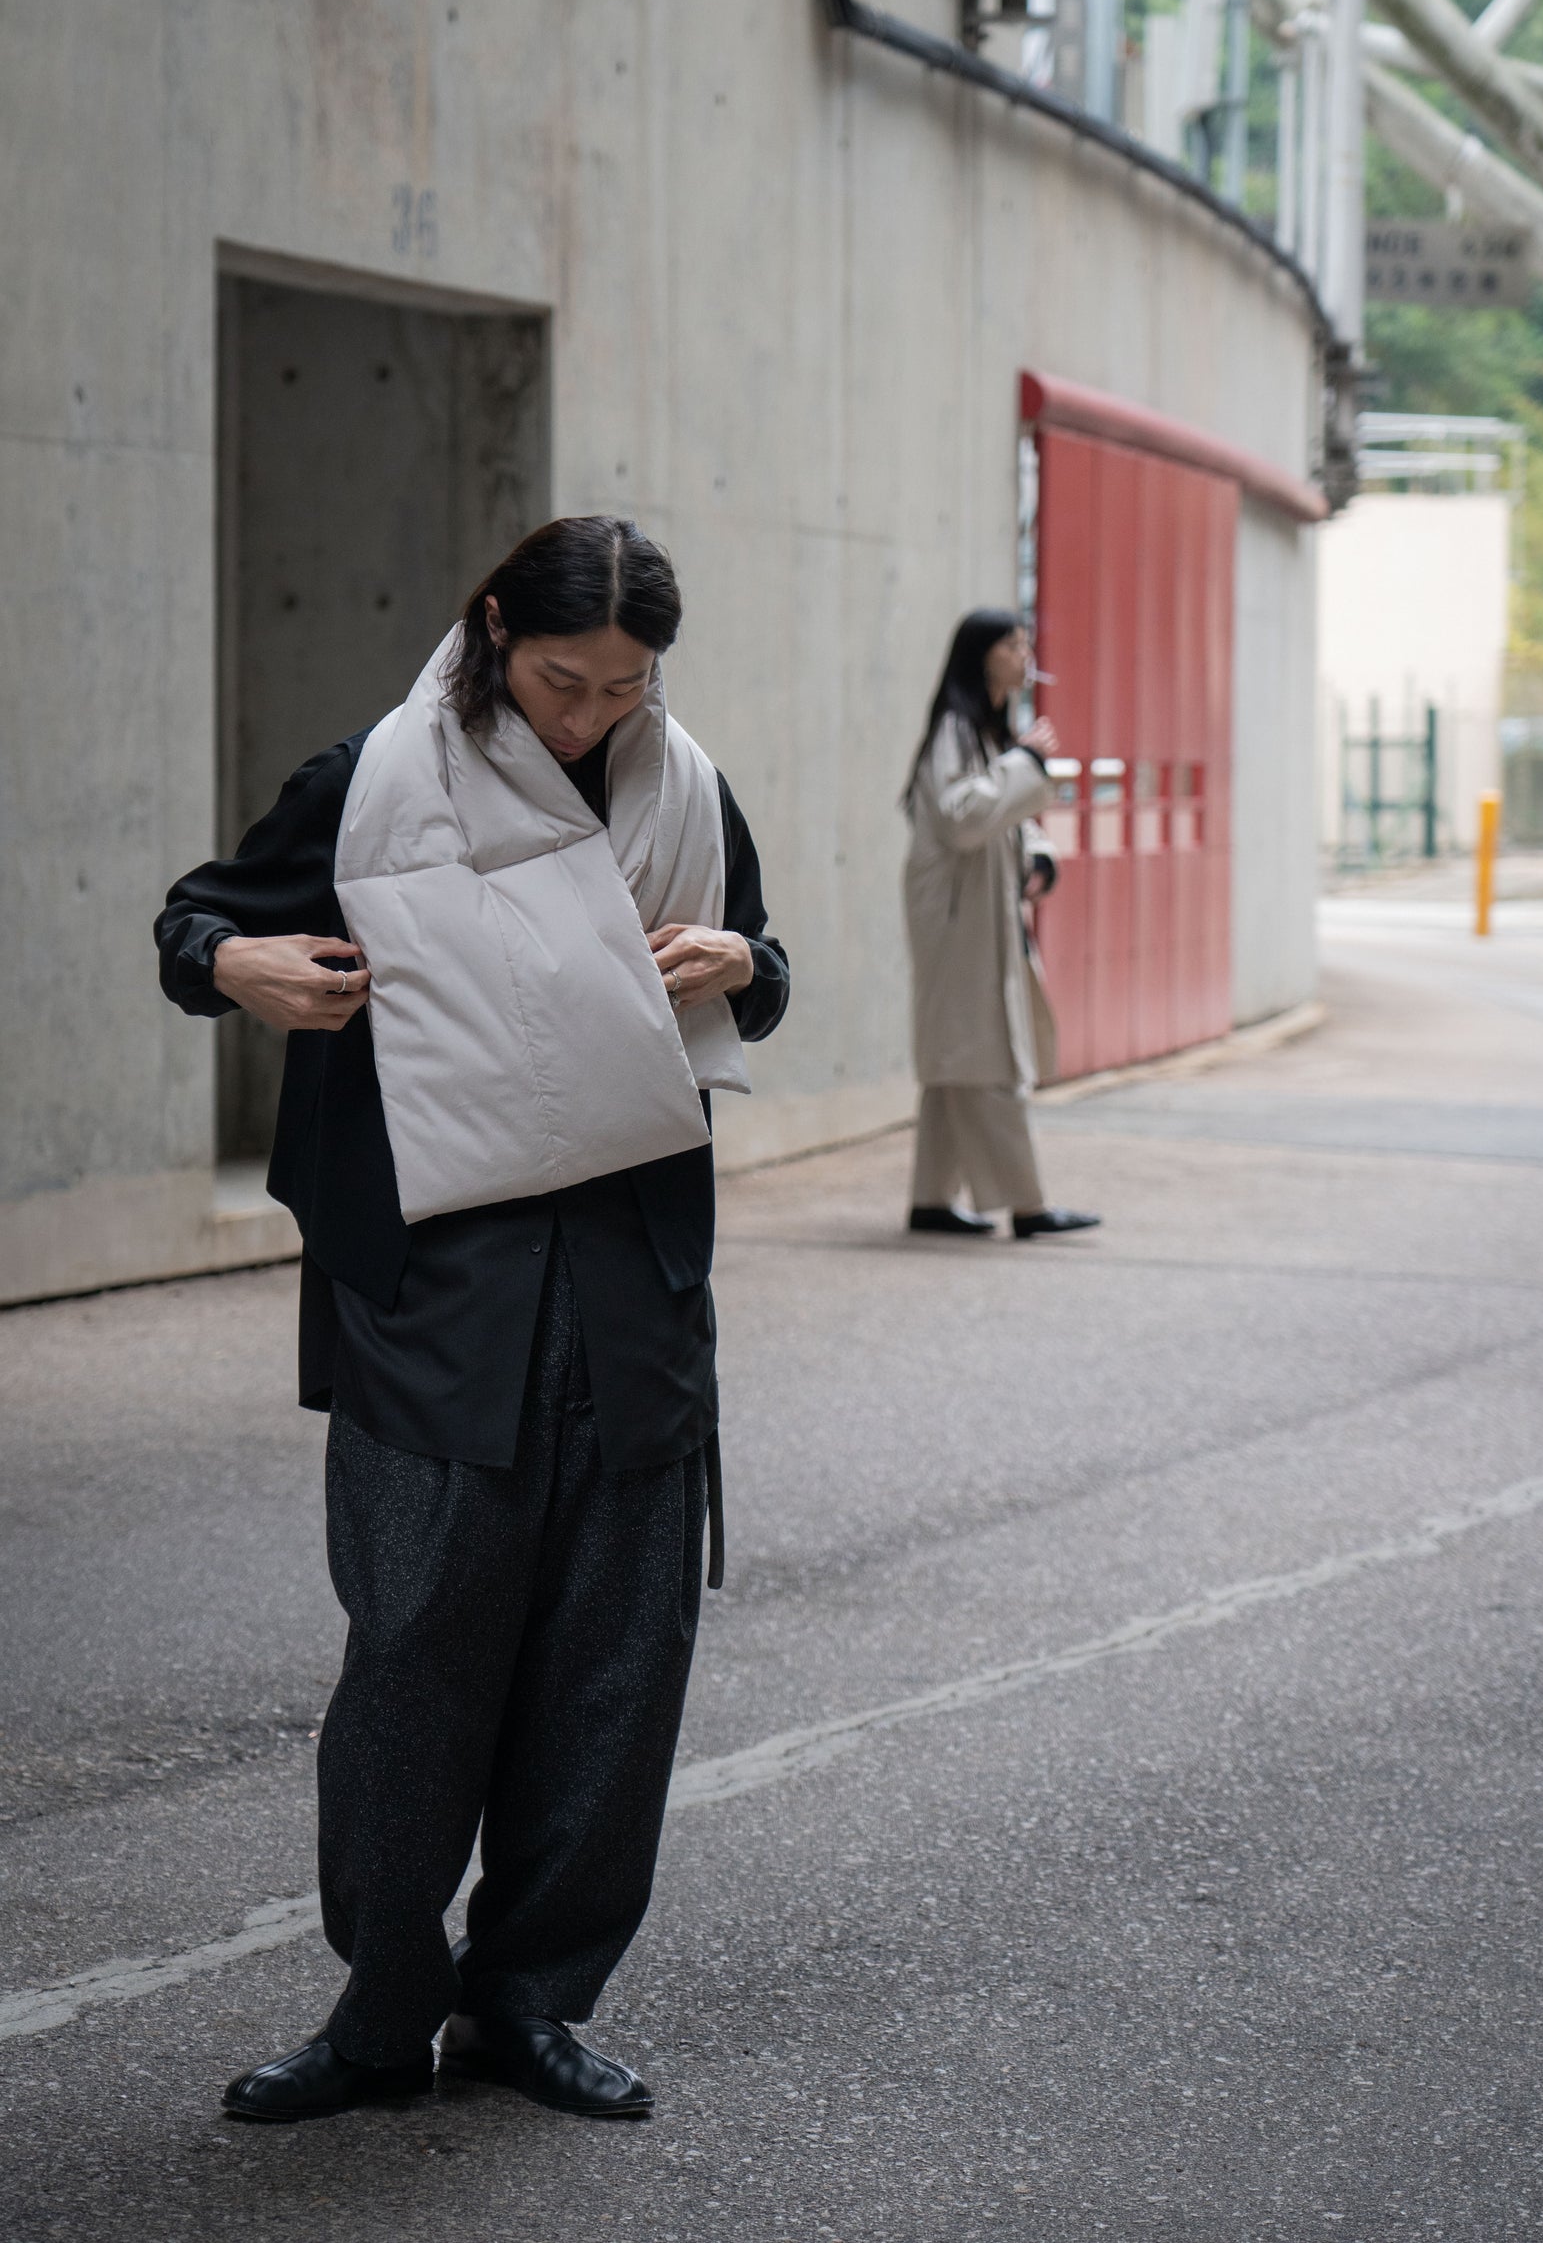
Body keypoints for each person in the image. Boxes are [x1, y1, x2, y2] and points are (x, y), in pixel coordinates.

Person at [155, 515, 788, 2125]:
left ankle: (527, 2005)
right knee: (413, 1663)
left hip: (631, 1293)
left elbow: (758, 969)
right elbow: (195, 922)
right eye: (564, 679)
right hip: (438, 1298)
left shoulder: (684, 789)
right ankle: (379, 2018)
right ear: (496, 627)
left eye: (624, 688)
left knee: (614, 1671)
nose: (590, 716)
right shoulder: (372, 780)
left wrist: (748, 957)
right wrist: (240, 964)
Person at [901, 608, 1099, 1241]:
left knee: (957, 1058)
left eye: (1025, 644)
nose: (1025, 655)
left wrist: (1037, 852)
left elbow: (996, 814)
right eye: (1013, 644)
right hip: (957, 915)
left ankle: (932, 1199)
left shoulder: (980, 730)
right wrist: (1026, 762)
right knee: (985, 1053)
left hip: (974, 911)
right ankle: (1028, 1206)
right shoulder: (956, 729)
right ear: (982, 654)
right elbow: (964, 818)